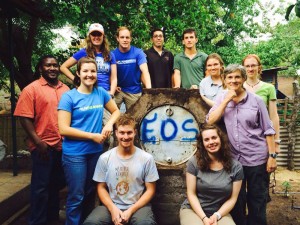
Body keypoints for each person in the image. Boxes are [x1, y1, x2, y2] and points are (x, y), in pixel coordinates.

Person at [206, 64, 277, 225]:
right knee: (236, 201)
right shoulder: (222, 97)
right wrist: (226, 100)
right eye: (229, 77)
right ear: (224, 80)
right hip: (233, 160)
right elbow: (210, 120)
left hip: (257, 159)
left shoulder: (256, 101)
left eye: (237, 77)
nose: (233, 80)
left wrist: (272, 156)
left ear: (244, 79)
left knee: (257, 201)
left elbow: (268, 129)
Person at [58, 57, 120, 225]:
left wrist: (107, 125)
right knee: (76, 196)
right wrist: (92, 136)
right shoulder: (68, 97)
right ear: (78, 73)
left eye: (93, 71)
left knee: (90, 193)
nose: (89, 74)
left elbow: (116, 112)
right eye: (85, 71)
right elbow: (63, 129)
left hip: (95, 153)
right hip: (75, 154)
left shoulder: (100, 93)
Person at [14, 55, 70, 225]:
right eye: (48, 66)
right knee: (40, 188)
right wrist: (38, 142)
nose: (52, 68)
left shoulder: (65, 89)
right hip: (43, 147)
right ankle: (36, 221)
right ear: (40, 68)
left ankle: (52, 218)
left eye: (55, 65)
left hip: (63, 146)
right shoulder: (31, 89)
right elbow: (24, 117)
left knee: (56, 186)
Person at [83, 114, 159, 225]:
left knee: (145, 223)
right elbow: (101, 187)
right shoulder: (105, 158)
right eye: (122, 132)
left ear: (135, 132)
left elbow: (151, 190)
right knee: (92, 222)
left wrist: (130, 210)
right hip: (111, 205)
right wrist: (113, 209)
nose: (125, 137)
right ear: (116, 133)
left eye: (129, 132)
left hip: (138, 206)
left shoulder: (146, 158)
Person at [180, 124, 243, 225]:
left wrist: (217, 215)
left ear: (221, 139)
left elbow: (233, 198)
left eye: (214, 138)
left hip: (220, 212)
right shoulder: (193, 163)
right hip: (193, 210)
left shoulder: (236, 167)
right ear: (202, 143)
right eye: (207, 139)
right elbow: (191, 194)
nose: (211, 142)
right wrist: (204, 218)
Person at [60, 23, 117, 97]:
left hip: (105, 93)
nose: (96, 37)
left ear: (103, 36)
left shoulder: (110, 55)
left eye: (99, 34)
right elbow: (63, 67)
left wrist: (111, 93)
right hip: (87, 93)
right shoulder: (83, 52)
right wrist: (77, 81)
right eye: (93, 34)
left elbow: (114, 77)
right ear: (89, 37)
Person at [242, 54, 280, 154]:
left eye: (253, 65)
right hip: (243, 137)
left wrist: (276, 142)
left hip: (263, 136)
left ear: (259, 67)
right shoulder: (239, 87)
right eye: (247, 66)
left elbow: (274, 116)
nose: (250, 69)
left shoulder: (269, 88)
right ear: (244, 68)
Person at [112, 26, 151, 111]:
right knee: (110, 116)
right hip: (117, 90)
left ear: (130, 39)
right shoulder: (112, 54)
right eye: (122, 37)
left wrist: (149, 90)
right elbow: (107, 73)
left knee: (136, 118)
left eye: (127, 37)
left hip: (134, 90)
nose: (125, 40)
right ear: (117, 38)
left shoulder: (138, 52)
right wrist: (112, 87)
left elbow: (145, 71)